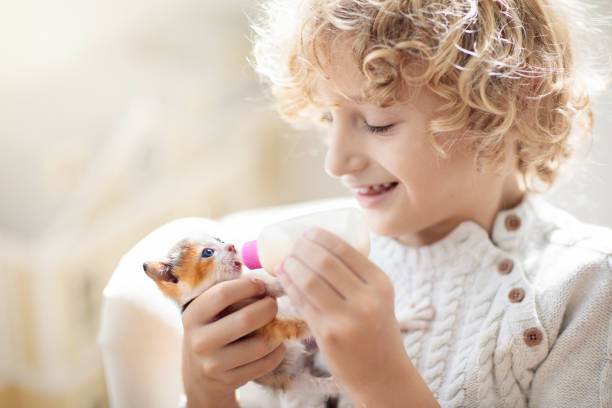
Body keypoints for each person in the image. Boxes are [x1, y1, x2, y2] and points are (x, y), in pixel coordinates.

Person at [180, 0, 612, 406]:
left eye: (377, 123)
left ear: (514, 103)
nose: (336, 162)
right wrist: (207, 392)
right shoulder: (314, 268)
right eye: (329, 117)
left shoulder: (585, 287)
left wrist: (382, 380)